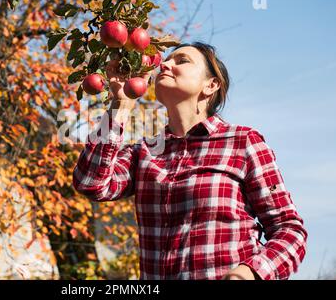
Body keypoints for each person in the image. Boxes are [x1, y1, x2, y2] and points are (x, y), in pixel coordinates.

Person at [72, 41, 308, 280]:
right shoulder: (145, 152)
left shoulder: (242, 142)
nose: (164, 64)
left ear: (211, 85)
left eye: (181, 60)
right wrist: (120, 105)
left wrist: (249, 273)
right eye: (167, 60)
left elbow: (289, 230)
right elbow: (91, 183)